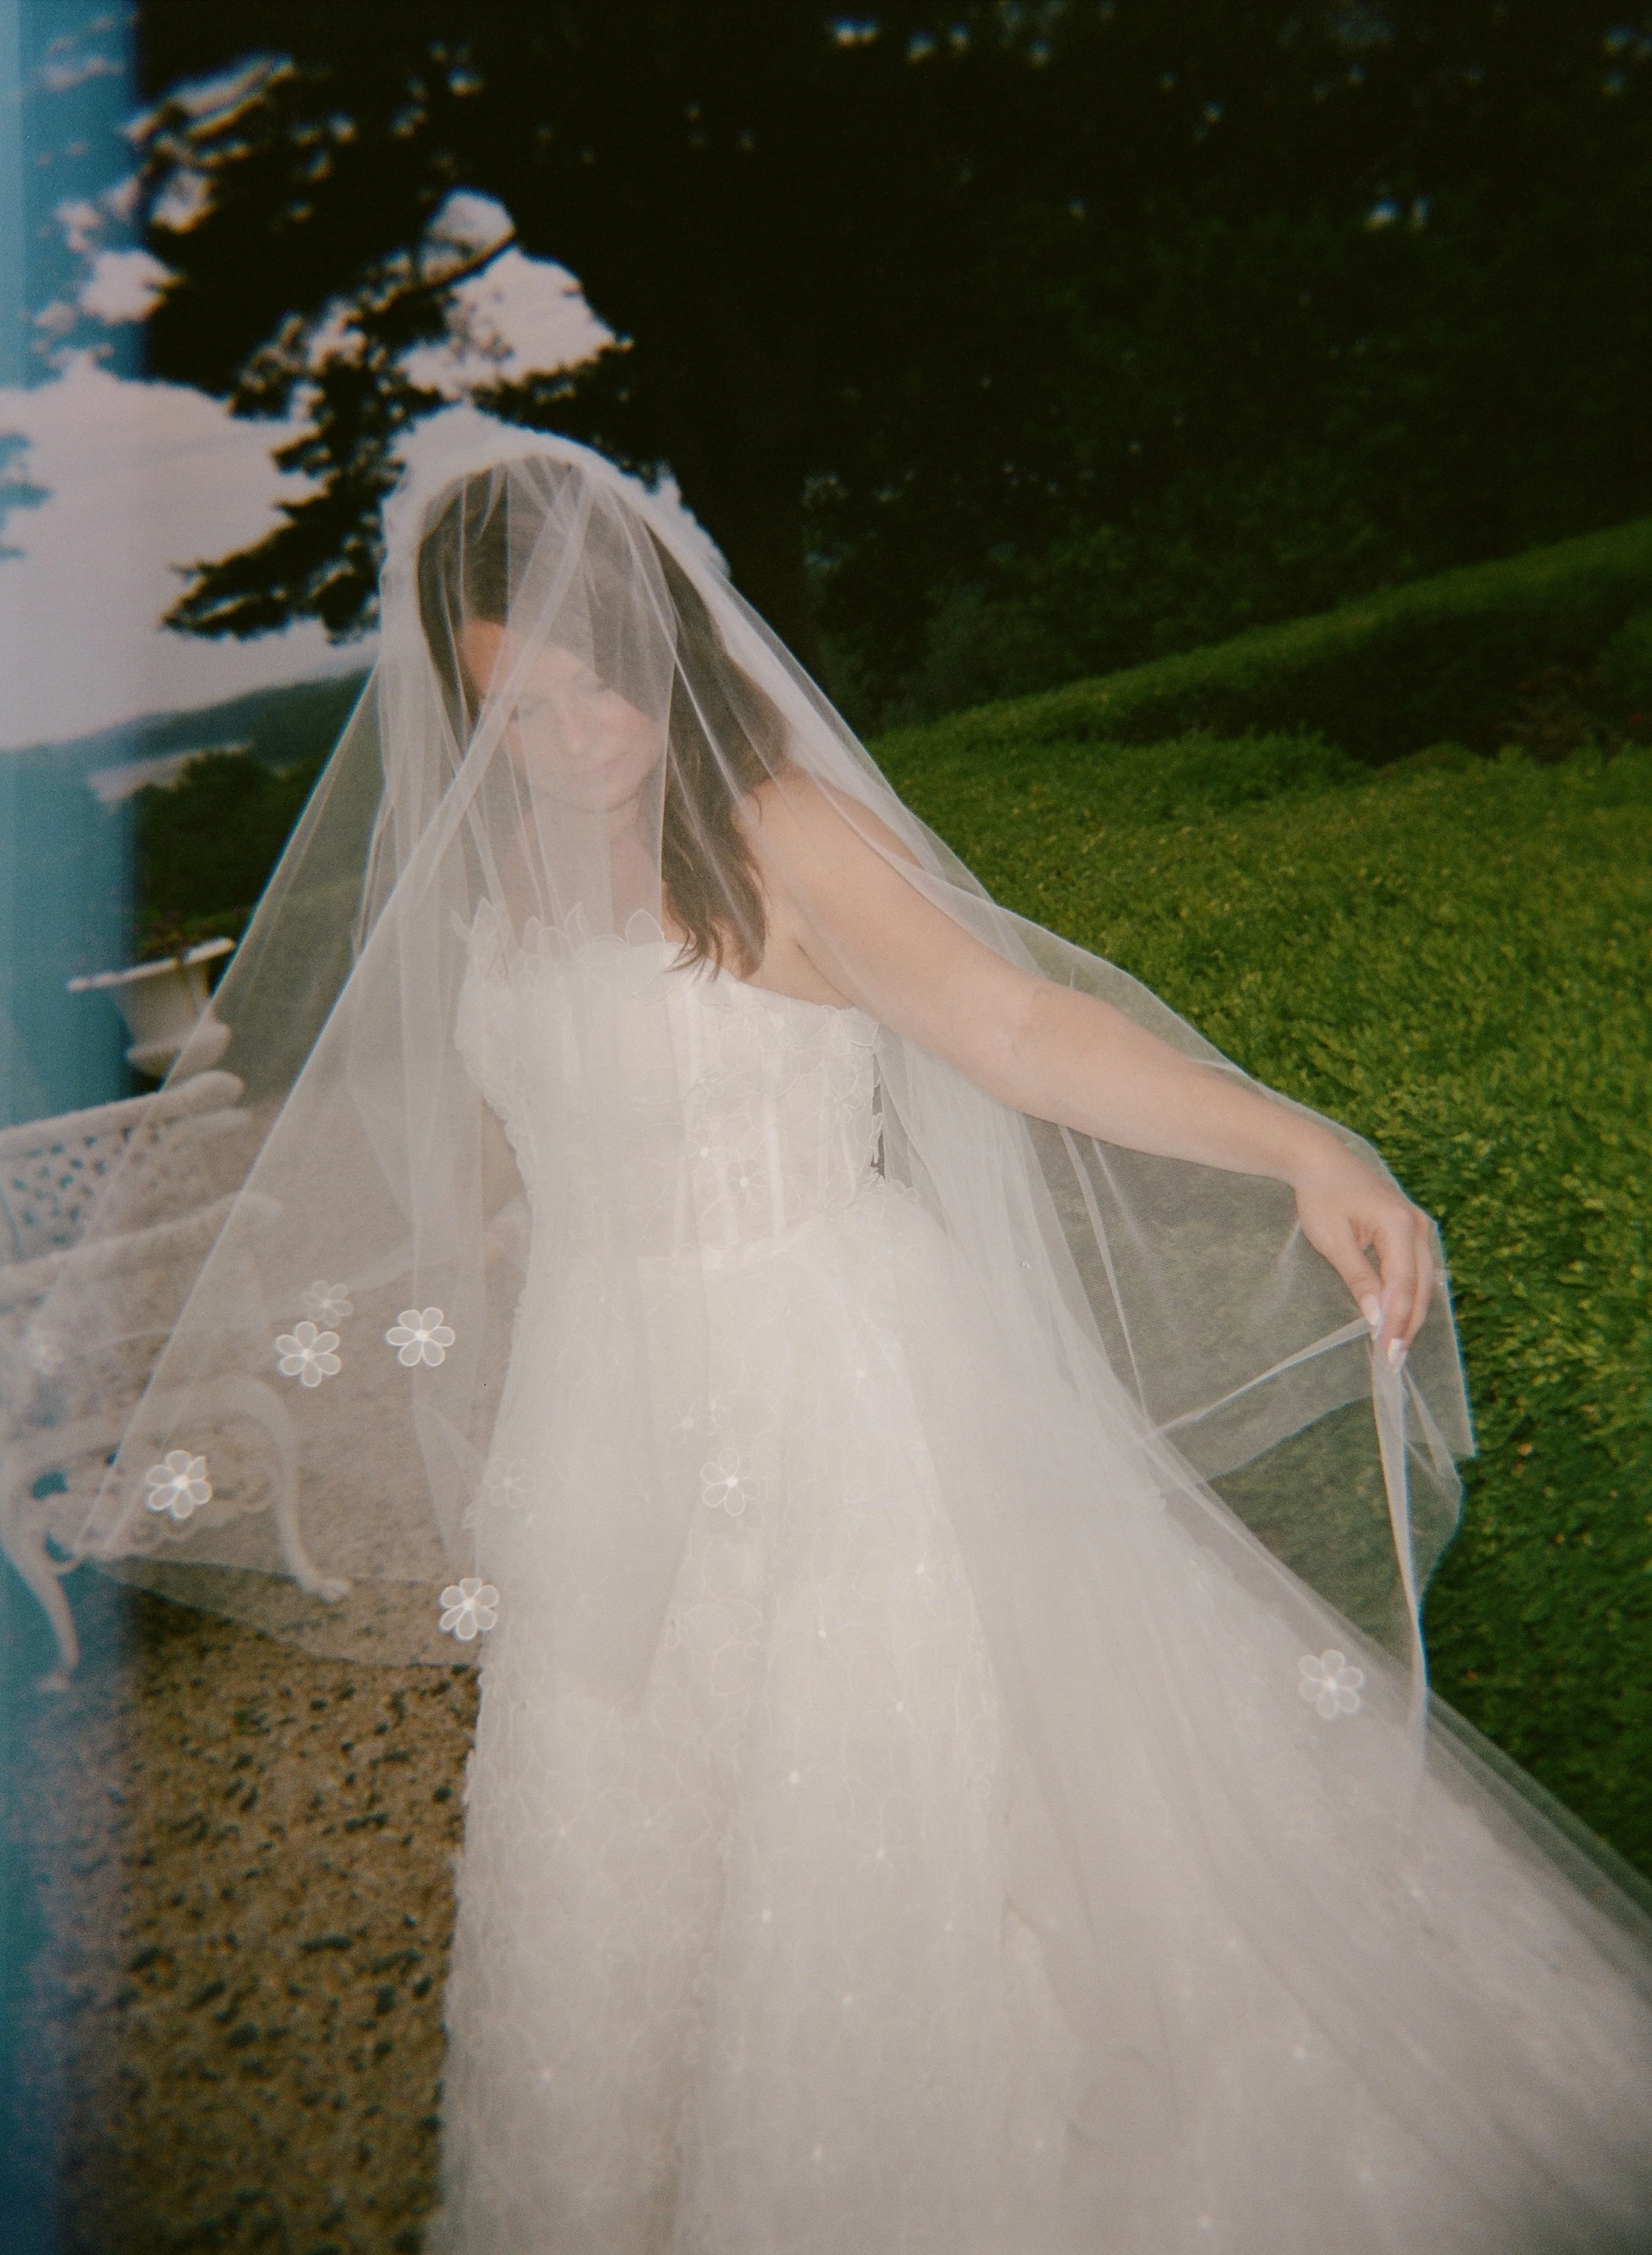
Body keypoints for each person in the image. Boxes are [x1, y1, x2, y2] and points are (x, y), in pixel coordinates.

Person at [57, 432, 1652, 2252]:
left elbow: (1016, 1028)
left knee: (899, 1813)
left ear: (669, 637)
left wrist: (1298, 1144)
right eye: (521, 709)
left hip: (841, 1397)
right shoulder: (500, 891)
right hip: (603, 1426)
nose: (577, 740)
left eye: (600, 684)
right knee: (629, 1861)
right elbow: (522, 1172)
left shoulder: (774, 838)